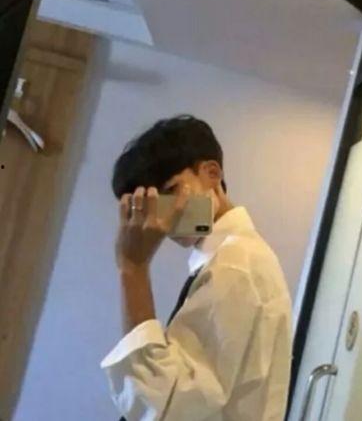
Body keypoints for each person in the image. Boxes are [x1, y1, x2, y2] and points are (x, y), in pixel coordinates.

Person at [100, 115, 292, 421]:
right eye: (150, 205)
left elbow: (171, 403)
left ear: (212, 174)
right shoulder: (232, 257)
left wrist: (133, 268)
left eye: (170, 191)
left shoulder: (235, 263)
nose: (163, 216)